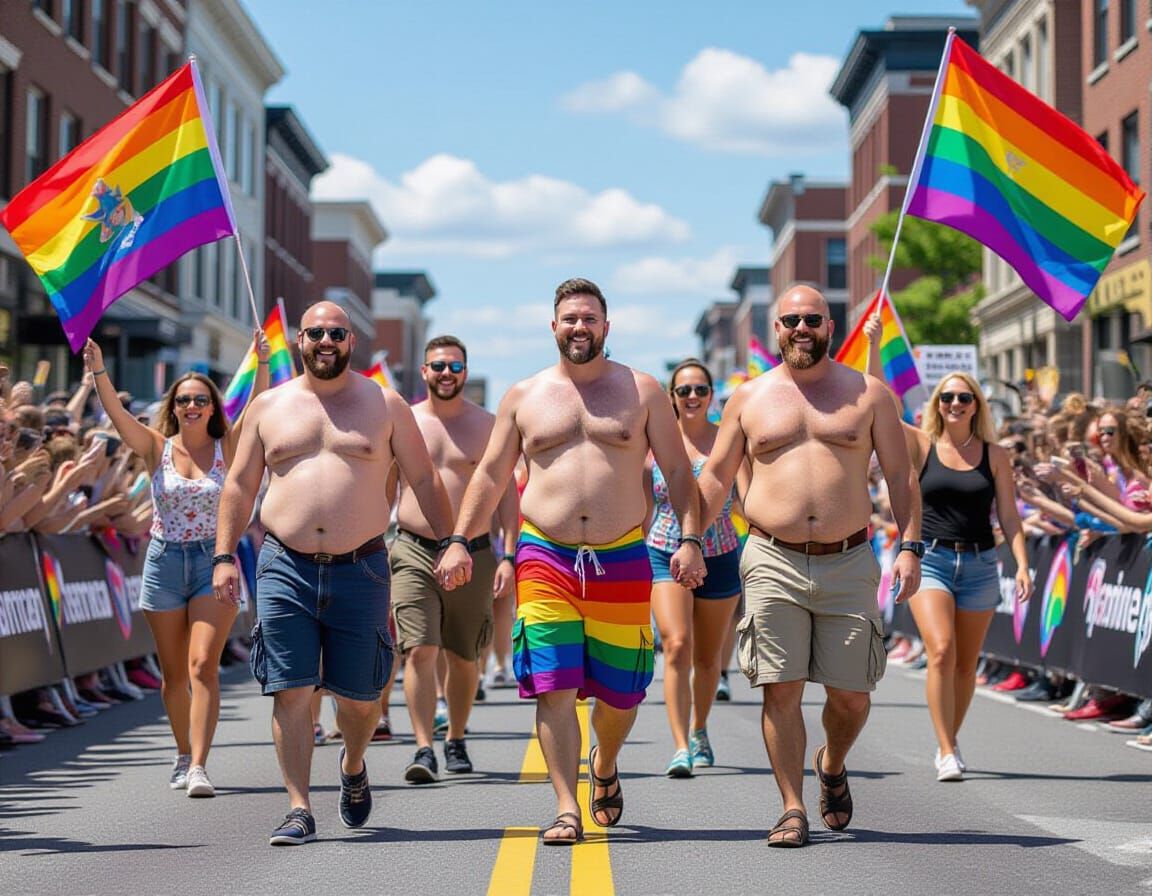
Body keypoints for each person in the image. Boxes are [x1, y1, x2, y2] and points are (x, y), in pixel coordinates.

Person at [437, 278, 706, 845]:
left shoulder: (644, 391)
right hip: (546, 554)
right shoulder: (524, 395)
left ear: (607, 327)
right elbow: (489, 474)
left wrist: (690, 538)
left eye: (589, 318)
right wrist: (461, 538)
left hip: (623, 556)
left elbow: (678, 473)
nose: (579, 327)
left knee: (621, 694)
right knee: (554, 686)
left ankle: (604, 760)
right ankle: (565, 806)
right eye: (569, 319)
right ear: (552, 326)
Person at [212, 302, 454, 846]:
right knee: (291, 690)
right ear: (300, 340)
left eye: (336, 333)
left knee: (361, 699)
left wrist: (452, 543)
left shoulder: (384, 403)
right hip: (284, 565)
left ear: (351, 340)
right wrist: (225, 554)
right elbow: (238, 486)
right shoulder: (269, 406)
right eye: (316, 332)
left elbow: (423, 479)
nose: (326, 340)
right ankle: (299, 807)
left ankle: (352, 763)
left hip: (361, 566)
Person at [697, 284, 922, 848]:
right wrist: (688, 538)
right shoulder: (748, 398)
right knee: (781, 688)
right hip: (771, 556)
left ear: (830, 325)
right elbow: (717, 476)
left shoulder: (869, 395)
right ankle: (792, 807)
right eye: (792, 320)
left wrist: (913, 545)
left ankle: (833, 761)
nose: (802, 328)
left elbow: (901, 476)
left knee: (852, 695)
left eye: (813, 320)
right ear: (777, 329)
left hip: (848, 560)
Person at [82, 331, 270, 798]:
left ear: (212, 406)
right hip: (165, 562)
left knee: (204, 664)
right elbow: (117, 415)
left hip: (215, 560)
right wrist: (99, 370)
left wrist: (262, 362)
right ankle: (183, 752)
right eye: (184, 399)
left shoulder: (229, 446)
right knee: (173, 675)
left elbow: (257, 406)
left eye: (200, 400)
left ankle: (201, 766)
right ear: (175, 406)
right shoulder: (155, 447)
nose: (192, 406)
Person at [391, 335, 518, 783]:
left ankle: (456, 736)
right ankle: (424, 746)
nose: (447, 373)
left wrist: (509, 556)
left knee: (465, 655)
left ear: (466, 371)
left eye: (455, 366)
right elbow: (385, 485)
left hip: (475, 551)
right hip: (413, 547)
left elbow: (504, 495)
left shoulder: (488, 425)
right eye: (438, 366)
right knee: (420, 649)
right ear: (423, 372)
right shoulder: (405, 423)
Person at [645, 358, 747, 777]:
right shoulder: (655, 443)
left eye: (700, 390)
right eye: (683, 390)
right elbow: (641, 505)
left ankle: (700, 727)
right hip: (663, 552)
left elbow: (746, 498)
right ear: (672, 397)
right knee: (677, 645)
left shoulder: (729, 441)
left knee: (707, 660)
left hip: (720, 553)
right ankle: (680, 745)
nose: (691, 397)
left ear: (711, 396)